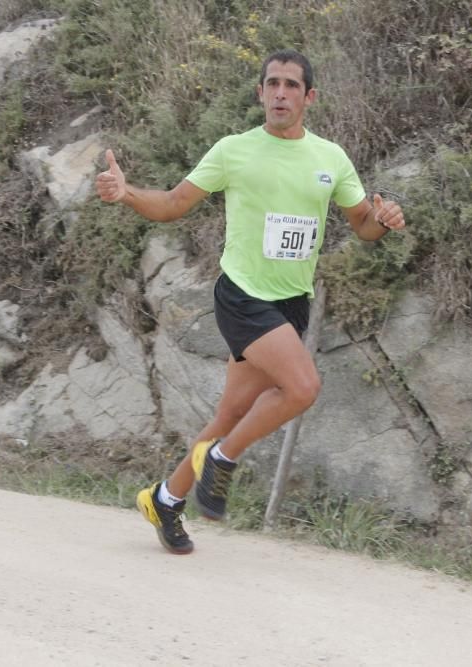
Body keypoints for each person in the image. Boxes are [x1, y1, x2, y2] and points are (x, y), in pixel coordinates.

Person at [95, 49, 405, 554]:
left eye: (291, 85)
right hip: (242, 295)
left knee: (233, 411)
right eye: (272, 84)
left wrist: (384, 219)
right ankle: (222, 459)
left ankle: (165, 499)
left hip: (291, 303)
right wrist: (128, 193)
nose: (280, 93)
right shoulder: (233, 150)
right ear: (260, 93)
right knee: (303, 387)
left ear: (309, 98)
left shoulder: (331, 158)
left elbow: (363, 228)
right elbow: (173, 204)